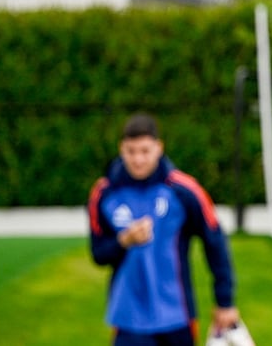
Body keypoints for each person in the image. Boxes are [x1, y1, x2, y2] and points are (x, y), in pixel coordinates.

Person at [88, 113, 245, 346]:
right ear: (121, 149)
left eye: (145, 151)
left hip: (177, 315)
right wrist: (124, 241)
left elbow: (215, 242)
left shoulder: (184, 190)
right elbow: (98, 254)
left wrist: (225, 302)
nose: (138, 160)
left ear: (159, 148)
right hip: (128, 318)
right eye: (131, 152)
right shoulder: (104, 194)